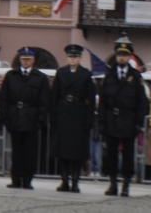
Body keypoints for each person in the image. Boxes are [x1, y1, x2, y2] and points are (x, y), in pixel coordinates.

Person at [98, 34, 148, 197]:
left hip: (128, 121)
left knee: (128, 154)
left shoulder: (136, 76)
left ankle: (126, 184)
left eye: (125, 55)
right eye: (119, 54)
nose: (122, 57)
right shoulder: (109, 75)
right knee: (111, 153)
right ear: (116, 56)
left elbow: (142, 102)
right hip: (112, 119)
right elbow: (103, 101)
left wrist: (138, 123)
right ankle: (113, 183)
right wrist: (102, 121)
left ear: (129, 57)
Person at [0, 47, 50, 189]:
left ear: (33, 60)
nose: (26, 62)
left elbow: (44, 101)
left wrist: (40, 120)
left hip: (31, 118)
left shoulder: (40, 77)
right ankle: (16, 179)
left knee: (30, 152)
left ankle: (27, 180)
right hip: (15, 116)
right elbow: (4, 98)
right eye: (23, 59)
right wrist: (6, 117)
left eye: (28, 59)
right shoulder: (11, 76)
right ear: (20, 60)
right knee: (16, 151)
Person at [51, 44, 95, 193]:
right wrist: (53, 117)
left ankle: (75, 181)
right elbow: (54, 96)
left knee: (77, 152)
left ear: (80, 58)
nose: (72, 59)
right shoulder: (61, 73)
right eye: (70, 56)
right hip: (63, 114)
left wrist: (89, 120)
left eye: (75, 57)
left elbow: (91, 99)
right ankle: (64, 180)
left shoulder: (86, 75)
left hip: (78, 116)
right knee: (63, 151)